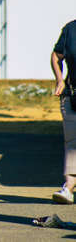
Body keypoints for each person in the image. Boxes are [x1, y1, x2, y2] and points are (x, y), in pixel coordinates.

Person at [51, 19, 76, 204]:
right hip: (72, 94)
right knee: (72, 142)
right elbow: (56, 55)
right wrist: (59, 80)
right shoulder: (71, 29)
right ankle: (68, 187)